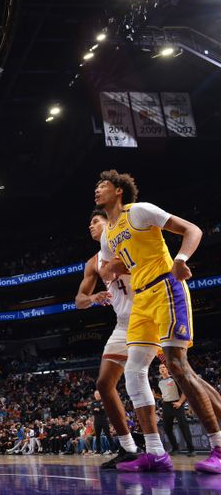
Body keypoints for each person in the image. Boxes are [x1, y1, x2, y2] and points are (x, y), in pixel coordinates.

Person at [95, 170, 221, 473]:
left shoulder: (139, 211)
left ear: (119, 191)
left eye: (103, 185)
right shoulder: (108, 233)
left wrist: (181, 259)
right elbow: (115, 267)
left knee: (177, 365)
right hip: (141, 300)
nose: (97, 190)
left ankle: (218, 446)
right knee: (134, 371)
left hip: (166, 287)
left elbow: (192, 230)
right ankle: (155, 452)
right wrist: (106, 268)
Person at [74, 209, 139, 468]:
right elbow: (78, 301)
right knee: (103, 383)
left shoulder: (125, 242)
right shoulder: (92, 262)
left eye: (96, 221)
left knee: (181, 374)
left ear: (108, 223)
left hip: (147, 316)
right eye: (89, 222)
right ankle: (128, 447)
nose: (91, 225)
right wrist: (92, 298)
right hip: (123, 324)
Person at [157, 363, 195, 456]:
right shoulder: (158, 381)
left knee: (183, 426)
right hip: (166, 405)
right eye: (160, 368)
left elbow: (184, 391)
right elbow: (161, 395)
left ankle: (191, 450)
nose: (162, 369)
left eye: (163, 367)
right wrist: (154, 395)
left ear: (167, 369)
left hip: (177, 404)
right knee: (167, 428)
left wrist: (180, 402)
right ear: (159, 371)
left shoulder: (174, 378)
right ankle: (175, 448)